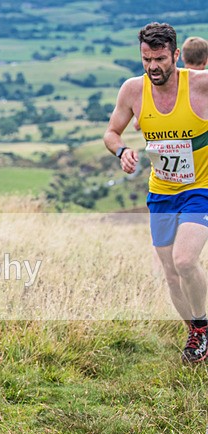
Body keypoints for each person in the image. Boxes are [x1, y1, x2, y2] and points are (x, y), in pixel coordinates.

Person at [105, 22, 208, 363]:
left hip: (200, 188)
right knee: (171, 274)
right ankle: (196, 335)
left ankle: (202, 327)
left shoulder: (200, 85)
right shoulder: (133, 90)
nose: (153, 67)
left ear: (176, 55)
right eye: (146, 59)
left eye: (160, 59)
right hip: (162, 193)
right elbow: (111, 132)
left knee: (185, 260)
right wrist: (122, 151)